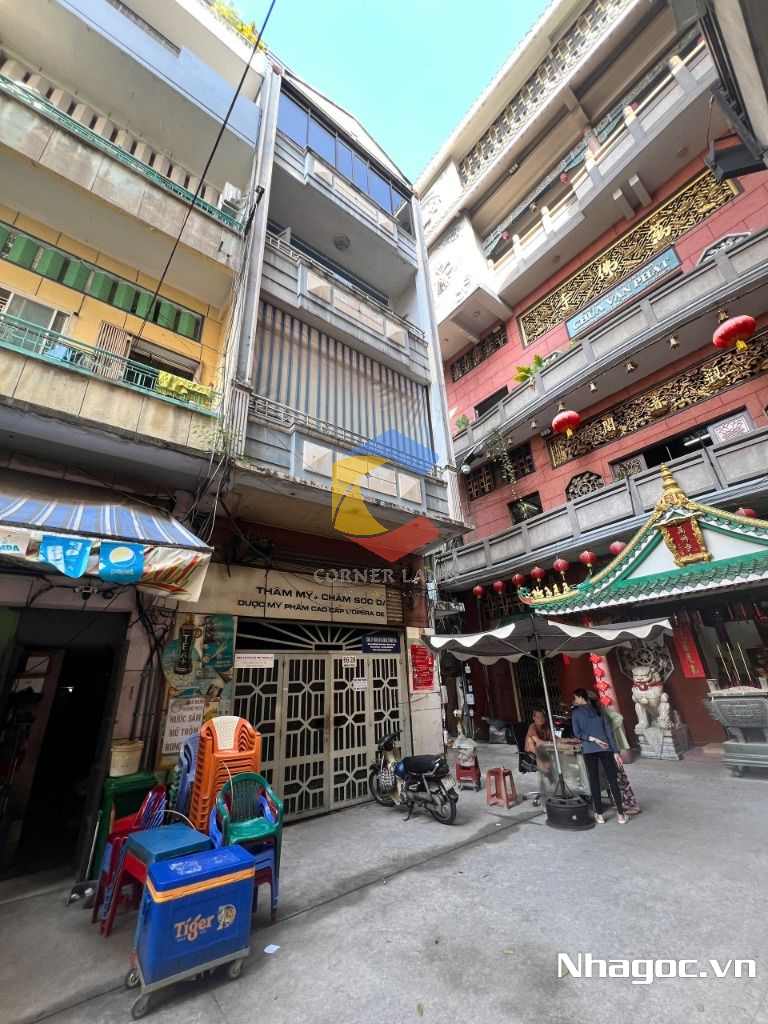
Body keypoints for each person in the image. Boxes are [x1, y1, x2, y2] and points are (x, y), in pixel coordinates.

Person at [571, 688, 628, 824]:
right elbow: (609, 732)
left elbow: (577, 733)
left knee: (594, 781)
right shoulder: (599, 710)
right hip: (607, 748)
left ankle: (599, 814)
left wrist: (592, 739)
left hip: (590, 750)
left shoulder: (576, 713)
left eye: (575, 698)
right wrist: (615, 751)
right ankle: (620, 814)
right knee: (612, 780)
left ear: (581, 698)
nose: (574, 700)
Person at [588, 690, 641, 816]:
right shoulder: (590, 712)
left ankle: (631, 804)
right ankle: (621, 802)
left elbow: (618, 717)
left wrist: (610, 730)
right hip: (602, 748)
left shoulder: (601, 710)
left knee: (619, 776)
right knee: (612, 777)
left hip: (610, 747)